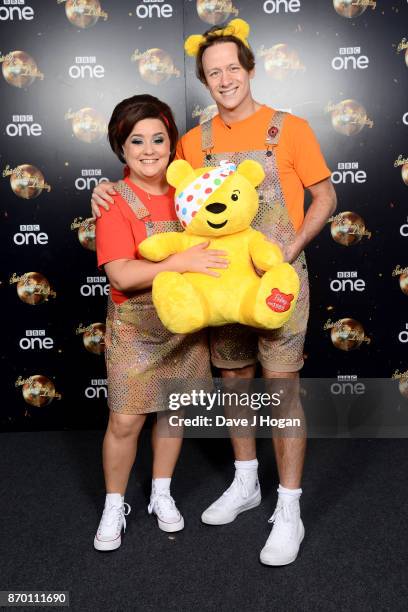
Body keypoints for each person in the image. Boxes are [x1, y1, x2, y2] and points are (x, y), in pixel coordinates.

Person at [91, 20, 337, 565]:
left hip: (275, 285)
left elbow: (325, 195)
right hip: (216, 287)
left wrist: (290, 251)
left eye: (232, 67)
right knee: (232, 379)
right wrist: (104, 189)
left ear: (249, 69)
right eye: (212, 72)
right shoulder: (192, 141)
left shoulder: (289, 128)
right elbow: (151, 181)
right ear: (204, 81)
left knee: (281, 392)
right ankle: (246, 481)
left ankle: (289, 507)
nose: (224, 79)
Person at [93, 94, 226, 551]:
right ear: (121, 147)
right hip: (136, 328)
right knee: (126, 421)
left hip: (183, 327)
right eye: (136, 141)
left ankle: (161, 493)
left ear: (171, 143)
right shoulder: (114, 201)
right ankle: (114, 505)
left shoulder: (190, 191)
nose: (149, 150)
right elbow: (122, 274)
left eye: (158, 139)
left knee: (174, 414)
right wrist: (182, 261)